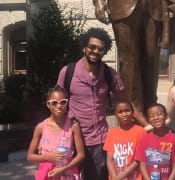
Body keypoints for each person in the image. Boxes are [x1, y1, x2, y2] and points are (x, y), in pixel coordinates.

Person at [57, 27, 148, 180]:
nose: (95, 51)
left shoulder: (109, 74)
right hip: (73, 139)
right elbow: (57, 105)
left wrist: (146, 125)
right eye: (92, 47)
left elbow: (127, 103)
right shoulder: (67, 72)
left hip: (99, 141)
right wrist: (50, 132)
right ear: (84, 47)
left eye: (100, 49)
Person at [93, 0, 175, 113]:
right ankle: (132, 116)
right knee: (129, 63)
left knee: (151, 63)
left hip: (155, 8)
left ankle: (151, 113)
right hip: (122, 7)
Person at [27, 85, 85, 180]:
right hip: (47, 175)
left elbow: (81, 155)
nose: (59, 106)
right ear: (48, 104)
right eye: (54, 103)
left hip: (68, 174)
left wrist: (64, 169)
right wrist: (50, 156)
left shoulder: (73, 126)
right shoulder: (41, 127)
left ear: (67, 103)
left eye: (63, 102)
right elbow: (30, 156)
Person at [135, 103, 175, 180]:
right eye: (151, 116)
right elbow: (142, 166)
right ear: (148, 120)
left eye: (159, 114)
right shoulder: (144, 139)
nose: (156, 118)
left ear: (166, 116)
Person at [103, 99, 146, 180]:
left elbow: (139, 159)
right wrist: (114, 177)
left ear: (133, 112)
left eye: (127, 110)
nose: (124, 114)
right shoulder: (112, 133)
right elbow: (109, 160)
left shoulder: (141, 132)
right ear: (115, 114)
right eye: (120, 112)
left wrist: (120, 176)